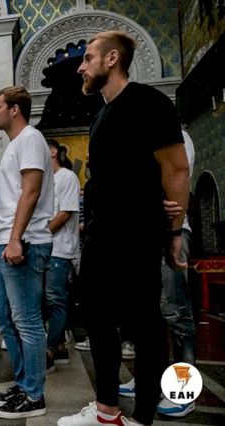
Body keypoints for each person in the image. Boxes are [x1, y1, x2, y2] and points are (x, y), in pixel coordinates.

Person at [58, 31, 190, 426]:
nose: (81, 67)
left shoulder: (148, 102)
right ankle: (107, 411)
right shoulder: (102, 114)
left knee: (145, 322)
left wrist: (174, 232)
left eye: (88, 58)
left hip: (137, 231)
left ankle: (144, 415)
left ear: (112, 58)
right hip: (103, 232)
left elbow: (176, 168)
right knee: (96, 315)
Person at [119, 130, 197, 418]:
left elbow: (175, 182)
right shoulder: (140, 140)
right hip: (145, 233)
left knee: (176, 313)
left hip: (172, 231)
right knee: (147, 313)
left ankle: (183, 391)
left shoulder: (176, 136)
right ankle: (148, 378)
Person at [0, 86, 54, 419]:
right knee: (1, 315)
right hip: (4, 240)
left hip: (24, 241)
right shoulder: (15, 144)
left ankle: (34, 394)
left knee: (27, 321)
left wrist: (15, 238)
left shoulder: (30, 138)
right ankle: (24, 381)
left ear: (15, 109)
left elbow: (31, 191)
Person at [44, 139, 80, 370]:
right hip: (44, 247)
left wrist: (42, 234)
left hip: (60, 247)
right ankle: (58, 345)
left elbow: (65, 212)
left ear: (53, 151)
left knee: (55, 298)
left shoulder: (67, 177)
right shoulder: (43, 179)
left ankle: (50, 349)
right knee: (44, 300)